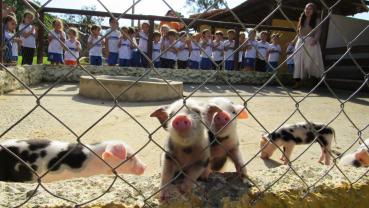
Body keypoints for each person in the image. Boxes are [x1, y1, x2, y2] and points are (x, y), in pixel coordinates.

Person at [292, 2, 324, 89]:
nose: (307, 10)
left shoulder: (317, 20)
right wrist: (292, 42)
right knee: (298, 62)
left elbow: (318, 31)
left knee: (309, 63)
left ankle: (310, 81)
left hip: (311, 42)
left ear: (314, 10)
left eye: (310, 9)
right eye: (306, 8)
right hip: (300, 42)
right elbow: (298, 33)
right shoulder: (302, 18)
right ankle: (297, 82)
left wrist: (315, 39)